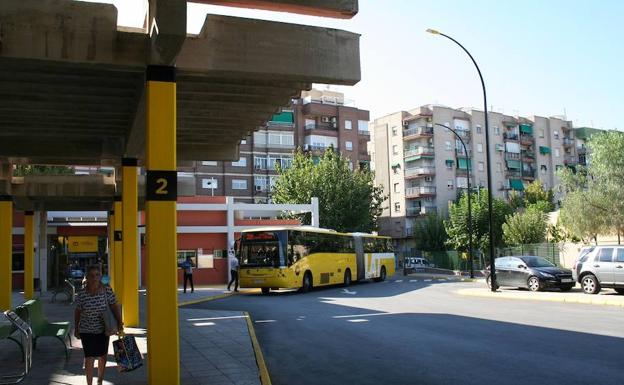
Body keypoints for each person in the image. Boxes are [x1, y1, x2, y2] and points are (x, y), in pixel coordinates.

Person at [74, 265, 123, 385]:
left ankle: (100, 379)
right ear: (87, 278)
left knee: (102, 356)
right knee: (89, 357)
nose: (94, 278)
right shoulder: (82, 293)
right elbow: (78, 311)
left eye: (97, 275)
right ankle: (89, 383)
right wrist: (76, 327)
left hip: (104, 329)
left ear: (100, 276)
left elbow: (114, 306)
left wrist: (119, 322)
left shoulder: (107, 289)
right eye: (91, 275)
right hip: (86, 329)